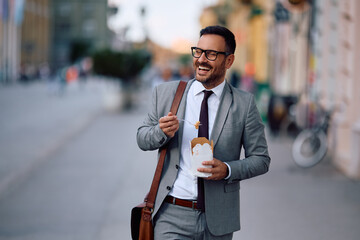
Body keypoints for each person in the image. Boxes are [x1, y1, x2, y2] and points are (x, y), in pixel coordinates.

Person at [137, 25, 270, 239]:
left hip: (218, 219)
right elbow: (142, 138)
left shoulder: (244, 104)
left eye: (211, 54)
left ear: (229, 61)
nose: (201, 59)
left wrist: (227, 169)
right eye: (198, 52)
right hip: (171, 214)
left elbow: (261, 159)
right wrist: (160, 132)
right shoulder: (166, 94)